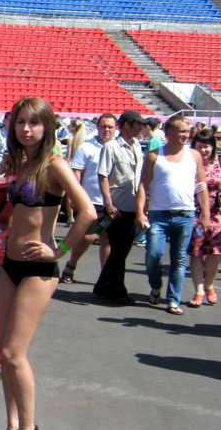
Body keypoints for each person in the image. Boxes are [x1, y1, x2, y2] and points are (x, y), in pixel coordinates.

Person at [0, 97, 95, 430]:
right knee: (3, 355)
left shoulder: (55, 165)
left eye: (34, 124)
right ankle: (12, 429)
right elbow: (18, 213)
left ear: (46, 127)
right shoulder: (20, 164)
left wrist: (60, 250)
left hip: (38, 270)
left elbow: (88, 212)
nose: (26, 129)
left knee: (16, 354)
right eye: (20, 122)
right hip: (10, 265)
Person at [136, 116, 210, 315]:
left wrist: (205, 213)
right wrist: (140, 212)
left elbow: (201, 186)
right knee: (153, 255)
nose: (186, 135)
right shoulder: (154, 155)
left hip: (185, 214)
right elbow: (143, 185)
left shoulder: (194, 155)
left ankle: (173, 299)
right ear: (169, 133)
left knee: (178, 260)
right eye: (182, 131)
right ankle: (156, 286)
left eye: (187, 131)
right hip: (158, 215)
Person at [92, 110, 145, 304]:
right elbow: (103, 175)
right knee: (119, 250)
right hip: (118, 205)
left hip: (132, 204)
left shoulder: (137, 145)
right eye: (138, 124)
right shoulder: (111, 147)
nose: (141, 128)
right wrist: (108, 203)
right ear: (128, 125)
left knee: (121, 250)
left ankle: (102, 286)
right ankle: (116, 289)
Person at [62, 113, 117, 283]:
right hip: (90, 200)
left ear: (116, 129)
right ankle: (72, 263)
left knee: (106, 239)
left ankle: (105, 276)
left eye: (110, 127)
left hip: (112, 202)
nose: (106, 130)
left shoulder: (118, 147)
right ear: (98, 127)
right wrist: (75, 196)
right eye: (103, 126)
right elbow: (77, 172)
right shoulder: (87, 147)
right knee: (87, 237)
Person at [187, 128, 220, 307]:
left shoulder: (218, 163)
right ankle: (199, 290)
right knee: (197, 251)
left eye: (207, 146)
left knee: (215, 252)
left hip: (217, 213)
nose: (204, 150)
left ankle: (209, 285)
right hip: (195, 212)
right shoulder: (190, 164)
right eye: (200, 146)